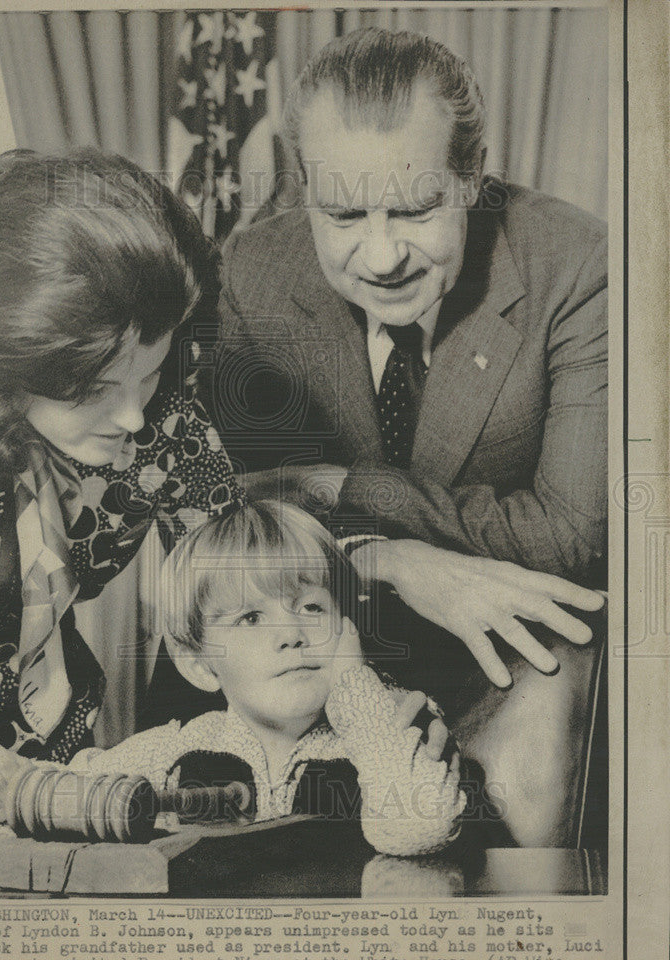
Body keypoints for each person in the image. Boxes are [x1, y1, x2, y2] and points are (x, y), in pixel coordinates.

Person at [209, 27, 607, 687]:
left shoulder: (577, 264)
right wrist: (390, 559)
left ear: (473, 173)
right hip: (291, 676)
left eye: (416, 211)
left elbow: (572, 538)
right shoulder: (253, 272)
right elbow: (219, 519)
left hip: (507, 681)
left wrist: (350, 486)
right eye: (343, 216)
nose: (383, 256)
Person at [0, 148, 243, 816]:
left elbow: (240, 585)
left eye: (150, 373)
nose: (134, 415)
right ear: (10, 362)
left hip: (50, 765)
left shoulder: (168, 436)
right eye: (95, 389)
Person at [47, 501, 465, 857]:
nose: (291, 635)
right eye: (250, 617)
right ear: (200, 665)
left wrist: (357, 692)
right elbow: (65, 795)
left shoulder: (394, 724)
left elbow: (416, 827)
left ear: (347, 626)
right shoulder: (176, 751)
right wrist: (0, 790)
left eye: (312, 608)